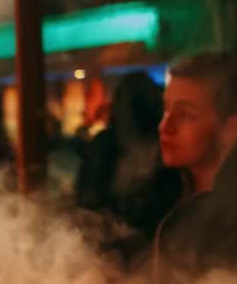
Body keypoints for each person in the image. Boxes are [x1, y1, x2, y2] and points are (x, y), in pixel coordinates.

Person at [150, 53, 237, 284]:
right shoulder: (168, 200)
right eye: (165, 110)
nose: (165, 126)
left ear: (230, 130)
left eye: (184, 114)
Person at [75, 72, 182, 259]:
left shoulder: (164, 150)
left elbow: (84, 200)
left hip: (143, 254)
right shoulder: (106, 145)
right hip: (128, 251)